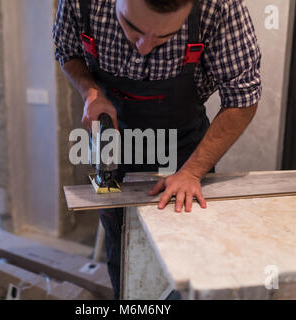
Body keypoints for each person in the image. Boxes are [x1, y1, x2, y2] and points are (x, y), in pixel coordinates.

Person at [53, 0, 262, 299]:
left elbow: (243, 97)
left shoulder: (219, 6)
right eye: (132, 27)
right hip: (113, 143)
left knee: (184, 254)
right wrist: (91, 92)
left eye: (164, 37)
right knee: (120, 243)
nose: (143, 47)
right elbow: (68, 51)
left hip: (185, 151)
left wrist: (192, 171)